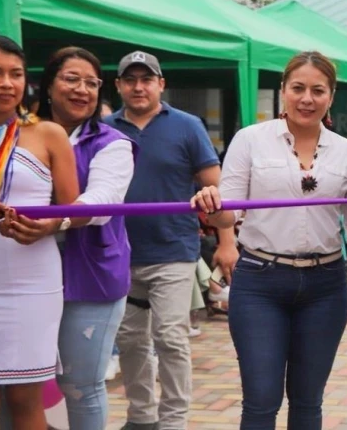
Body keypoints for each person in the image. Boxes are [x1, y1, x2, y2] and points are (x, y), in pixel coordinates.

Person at [191, 51, 347, 430]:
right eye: (298, 88)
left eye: (318, 90)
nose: (307, 98)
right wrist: (211, 206)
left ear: (331, 96)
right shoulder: (249, 140)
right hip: (260, 281)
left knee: (308, 403)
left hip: (325, 286)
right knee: (261, 401)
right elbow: (229, 212)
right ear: (282, 91)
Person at [105, 50, 239, 430]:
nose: (138, 86)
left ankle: (174, 420)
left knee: (170, 338)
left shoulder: (186, 125)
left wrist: (227, 240)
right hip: (120, 252)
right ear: (118, 86)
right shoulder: (106, 128)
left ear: (161, 84)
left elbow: (216, 190)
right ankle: (142, 416)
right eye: (130, 80)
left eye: (146, 79)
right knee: (130, 340)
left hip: (174, 250)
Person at [29, 46, 135, 429]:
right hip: (22, 277)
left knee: (80, 386)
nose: (82, 90)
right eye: (71, 79)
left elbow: (104, 201)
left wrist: (54, 223)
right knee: (18, 383)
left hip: (91, 281)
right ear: (47, 85)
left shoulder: (113, 143)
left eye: (91, 83)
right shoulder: (16, 137)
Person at [0, 36, 80, 428]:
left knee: (27, 397)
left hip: (30, 284)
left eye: (16, 74)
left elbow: (73, 210)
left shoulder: (48, 134)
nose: (6, 83)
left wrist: (48, 223)